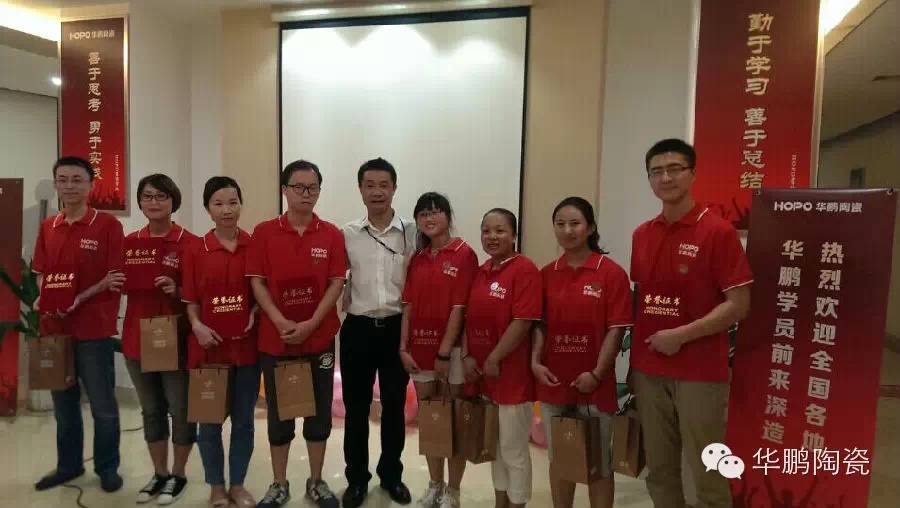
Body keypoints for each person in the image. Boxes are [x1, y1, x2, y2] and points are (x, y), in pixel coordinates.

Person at [630, 139, 752, 508]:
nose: (665, 178)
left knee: (708, 469)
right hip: (650, 370)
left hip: (699, 372)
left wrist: (681, 336)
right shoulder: (642, 234)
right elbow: (642, 301)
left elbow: (739, 305)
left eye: (674, 169)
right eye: (656, 171)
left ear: (693, 174)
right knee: (660, 469)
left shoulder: (717, 231)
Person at [248, 160, 347, 508]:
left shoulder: (331, 233)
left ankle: (316, 481)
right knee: (280, 415)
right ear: (284, 190)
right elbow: (257, 282)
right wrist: (278, 321)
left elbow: (336, 283)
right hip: (277, 339)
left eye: (313, 188)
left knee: (319, 415)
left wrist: (311, 324)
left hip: (319, 339)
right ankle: (278, 483)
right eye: (298, 187)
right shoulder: (264, 232)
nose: (306, 194)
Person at [532, 197, 633, 508]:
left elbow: (616, 329)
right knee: (560, 459)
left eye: (575, 223)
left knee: (599, 464)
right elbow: (539, 325)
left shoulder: (611, 273)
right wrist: (535, 362)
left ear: (590, 228)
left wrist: (597, 374)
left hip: (594, 385)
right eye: (560, 224)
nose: (567, 230)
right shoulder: (546, 273)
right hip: (554, 381)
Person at [32, 156, 124, 493]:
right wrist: (46, 297)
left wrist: (78, 298)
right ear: (56, 184)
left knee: (103, 405)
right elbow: (41, 273)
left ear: (90, 185)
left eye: (77, 179)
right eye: (63, 179)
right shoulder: (49, 227)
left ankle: (107, 468)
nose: (69, 186)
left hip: (93, 330)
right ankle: (68, 466)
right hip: (55, 329)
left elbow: (113, 277)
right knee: (63, 405)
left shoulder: (107, 226)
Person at [340, 157, 417, 508]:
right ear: (360, 189)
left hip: (396, 329)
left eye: (384, 185)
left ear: (394, 188)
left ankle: (391, 476)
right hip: (357, 328)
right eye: (369, 185)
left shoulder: (413, 232)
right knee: (356, 409)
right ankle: (356, 479)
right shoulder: (347, 234)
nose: (377, 192)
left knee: (394, 406)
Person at [182, 176, 260, 508]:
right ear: (207, 209)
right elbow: (190, 299)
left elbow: (262, 293)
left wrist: (255, 312)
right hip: (208, 350)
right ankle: (216, 486)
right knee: (209, 424)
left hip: (246, 349)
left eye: (233, 202)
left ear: (241, 204)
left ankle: (238, 484)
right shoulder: (195, 249)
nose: (227, 210)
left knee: (244, 422)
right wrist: (197, 326)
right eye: (218, 204)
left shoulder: (255, 245)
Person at [121, 174, 198, 505]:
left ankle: (178, 474)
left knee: (181, 409)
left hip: (175, 339)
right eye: (148, 196)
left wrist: (177, 290)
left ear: (173, 201)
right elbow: (120, 282)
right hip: (137, 338)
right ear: (140, 202)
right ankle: (159, 473)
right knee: (151, 410)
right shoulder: (130, 243)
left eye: (161, 196)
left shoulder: (190, 243)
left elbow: (203, 292)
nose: (154, 202)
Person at [399, 192, 478, 508]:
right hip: (418, 351)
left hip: (452, 353)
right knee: (432, 421)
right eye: (423, 214)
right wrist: (402, 347)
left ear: (448, 216)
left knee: (454, 421)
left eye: (435, 212)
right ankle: (434, 485)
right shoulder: (417, 258)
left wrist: (444, 353)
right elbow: (407, 306)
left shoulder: (464, 254)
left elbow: (460, 308)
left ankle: (453, 490)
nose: (429, 218)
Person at [463, 208, 540, 508]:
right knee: (495, 445)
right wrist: (468, 355)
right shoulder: (481, 271)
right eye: (486, 231)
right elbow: (468, 318)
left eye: (500, 231)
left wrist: (494, 357)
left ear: (514, 235)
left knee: (513, 450)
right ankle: (500, 503)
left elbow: (523, 321)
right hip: (485, 375)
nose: (492, 237)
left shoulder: (525, 269)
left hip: (512, 376)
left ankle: (517, 503)